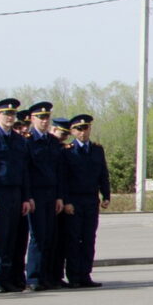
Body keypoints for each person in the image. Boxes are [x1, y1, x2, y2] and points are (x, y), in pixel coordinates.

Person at [0, 99, 31, 293]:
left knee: (12, 238)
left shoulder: (18, 140)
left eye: (12, 114)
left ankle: (7, 278)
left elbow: (24, 170)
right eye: (6, 114)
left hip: (15, 192)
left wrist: (26, 197)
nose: (9, 118)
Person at [60, 114, 110, 287]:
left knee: (89, 238)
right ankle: (73, 276)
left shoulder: (97, 149)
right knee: (74, 239)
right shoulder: (67, 150)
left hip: (91, 199)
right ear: (72, 131)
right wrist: (66, 201)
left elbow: (103, 174)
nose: (83, 132)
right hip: (74, 200)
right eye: (79, 129)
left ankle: (85, 274)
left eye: (86, 128)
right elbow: (63, 179)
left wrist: (106, 195)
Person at [22, 101, 65, 291]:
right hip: (36, 194)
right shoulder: (27, 141)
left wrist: (59, 196)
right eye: (40, 117)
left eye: (46, 117)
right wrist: (28, 196)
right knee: (38, 237)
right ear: (32, 119)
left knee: (50, 237)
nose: (44, 121)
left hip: (51, 194)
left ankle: (47, 276)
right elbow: (25, 172)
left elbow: (59, 172)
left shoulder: (53, 142)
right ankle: (33, 277)